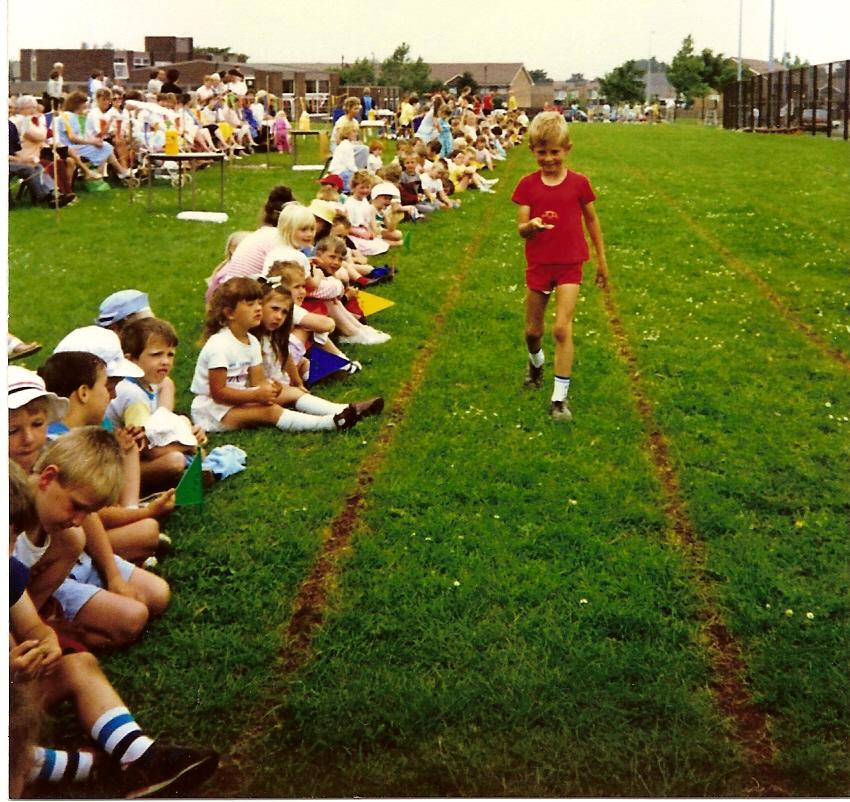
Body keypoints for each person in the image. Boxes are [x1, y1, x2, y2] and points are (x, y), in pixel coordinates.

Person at [8, 462, 219, 799]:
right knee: (14, 736)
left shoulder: (9, 571)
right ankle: (52, 764)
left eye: (14, 535)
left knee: (79, 666)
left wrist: (45, 643)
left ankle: (139, 756)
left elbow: (32, 625)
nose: (10, 549)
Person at [511, 111, 607, 421]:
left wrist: (602, 261)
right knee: (532, 331)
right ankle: (535, 363)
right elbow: (521, 228)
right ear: (532, 152)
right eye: (542, 152)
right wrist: (532, 227)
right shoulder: (527, 185)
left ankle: (559, 399)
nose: (549, 158)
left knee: (562, 328)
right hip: (539, 264)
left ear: (567, 149)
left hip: (570, 264)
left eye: (555, 152)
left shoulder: (579, 184)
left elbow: (591, 219)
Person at [190, 277, 360, 433]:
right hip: (214, 410)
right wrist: (256, 395)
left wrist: (270, 388)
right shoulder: (219, 345)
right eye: (250, 304)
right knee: (270, 411)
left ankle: (344, 408)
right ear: (230, 313)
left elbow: (258, 382)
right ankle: (329, 423)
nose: (258, 308)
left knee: (292, 392)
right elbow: (219, 393)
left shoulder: (251, 341)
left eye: (258, 302)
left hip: (240, 399)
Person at [252, 268, 383, 424]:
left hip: (280, 375)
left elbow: (285, 355)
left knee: (303, 363)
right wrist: (290, 387)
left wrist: (298, 382)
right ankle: (343, 410)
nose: (279, 316)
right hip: (266, 387)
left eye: (285, 313)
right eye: (274, 309)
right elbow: (257, 379)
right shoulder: (254, 339)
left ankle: (321, 373)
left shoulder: (274, 333)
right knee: (295, 392)